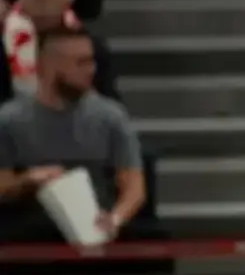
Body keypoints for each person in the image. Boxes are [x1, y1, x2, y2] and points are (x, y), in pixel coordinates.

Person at [0, 26, 144, 243]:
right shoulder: (9, 119)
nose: (92, 70)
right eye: (81, 62)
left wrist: (115, 219)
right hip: (30, 228)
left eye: (92, 61)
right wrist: (27, 180)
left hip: (96, 222)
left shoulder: (111, 116)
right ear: (49, 67)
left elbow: (134, 186)